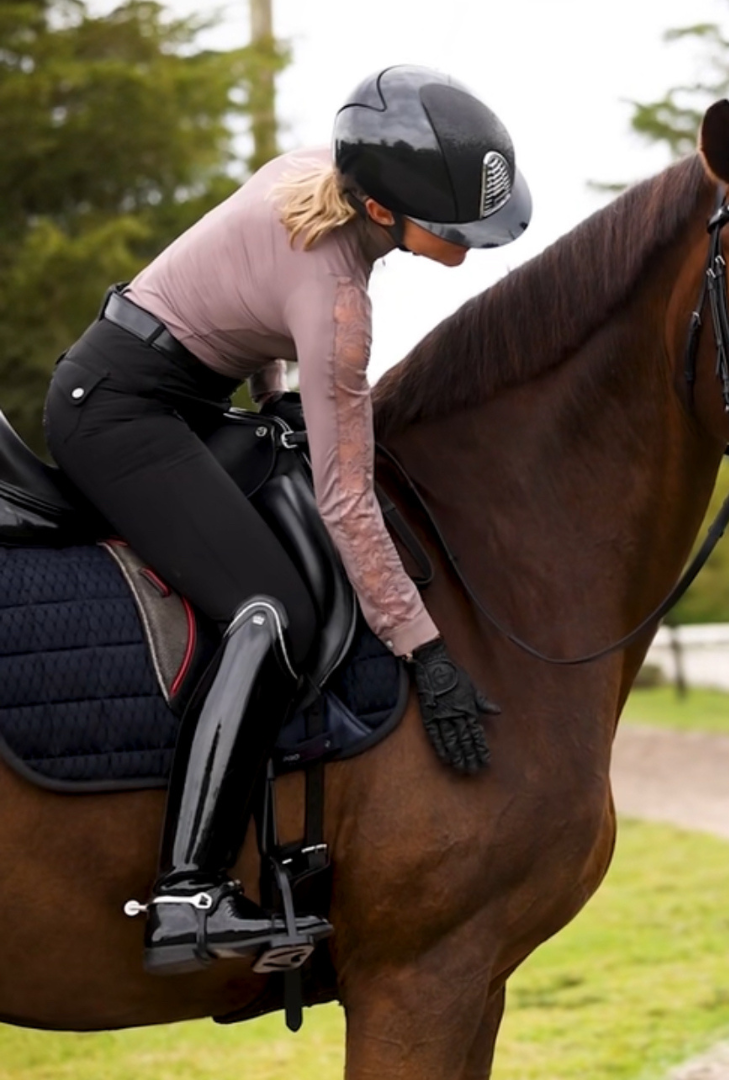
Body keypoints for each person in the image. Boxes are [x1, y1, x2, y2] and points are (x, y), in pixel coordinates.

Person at [42, 64, 531, 977]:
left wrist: (273, 402)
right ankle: (189, 891)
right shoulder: (341, 300)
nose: (467, 243)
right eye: (452, 226)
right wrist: (426, 651)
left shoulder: (315, 175)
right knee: (271, 612)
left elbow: (249, 309)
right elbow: (350, 500)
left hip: (177, 397)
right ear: (384, 212)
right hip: (116, 412)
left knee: (289, 484)